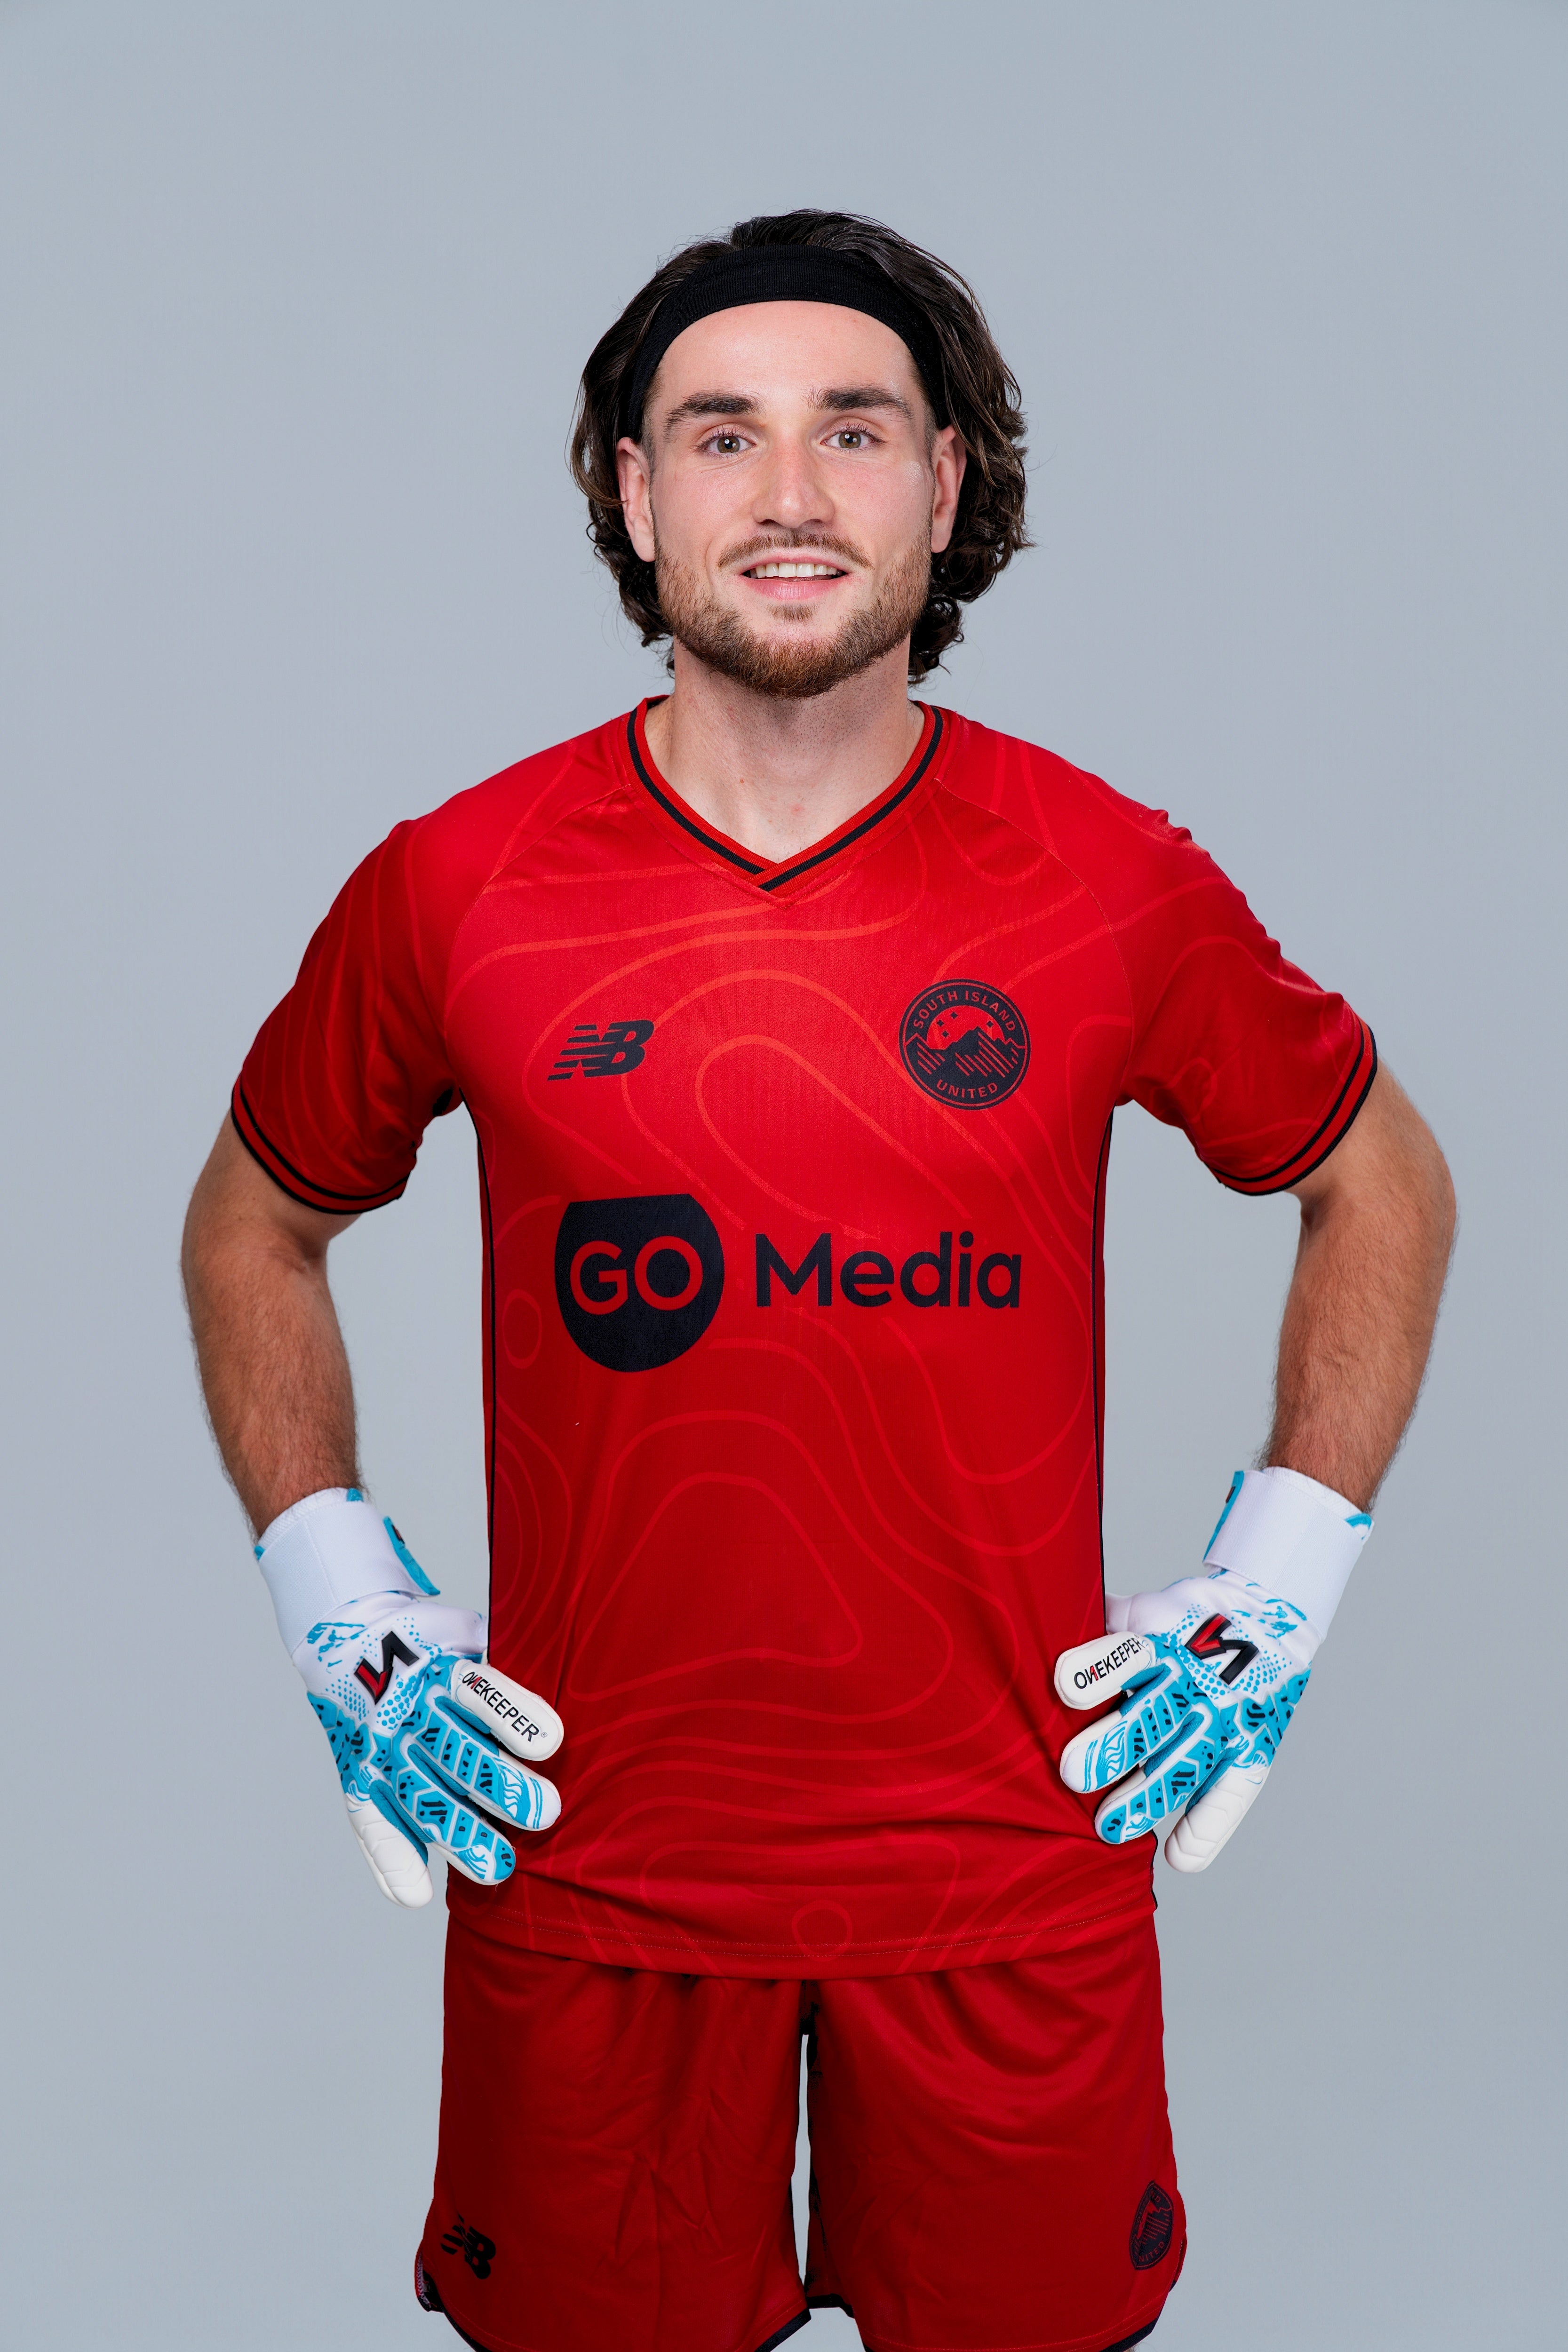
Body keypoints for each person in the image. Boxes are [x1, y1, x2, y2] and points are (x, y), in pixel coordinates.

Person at [182, 210, 1455, 2352]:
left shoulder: (1110, 879)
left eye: (853, 430)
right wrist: (336, 1590)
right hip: (588, 1878)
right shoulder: (455, 884)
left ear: (943, 485)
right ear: (633, 490)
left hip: (1010, 1879)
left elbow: (1381, 1174)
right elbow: (254, 1219)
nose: (788, 492)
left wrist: (1286, 1573)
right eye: (722, 434)